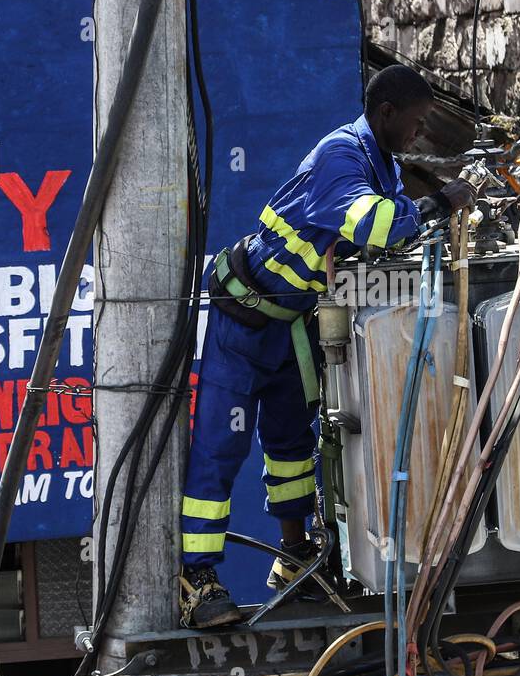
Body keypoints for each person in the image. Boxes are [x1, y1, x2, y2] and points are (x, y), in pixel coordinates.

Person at [178, 64, 477, 628]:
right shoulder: (341, 156)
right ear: (385, 112)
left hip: (291, 325)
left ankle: (295, 560)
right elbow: (377, 226)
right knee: (219, 451)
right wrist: (442, 200)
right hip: (241, 321)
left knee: (294, 448)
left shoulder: (381, 164)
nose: (416, 135)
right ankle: (196, 578)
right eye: (413, 124)